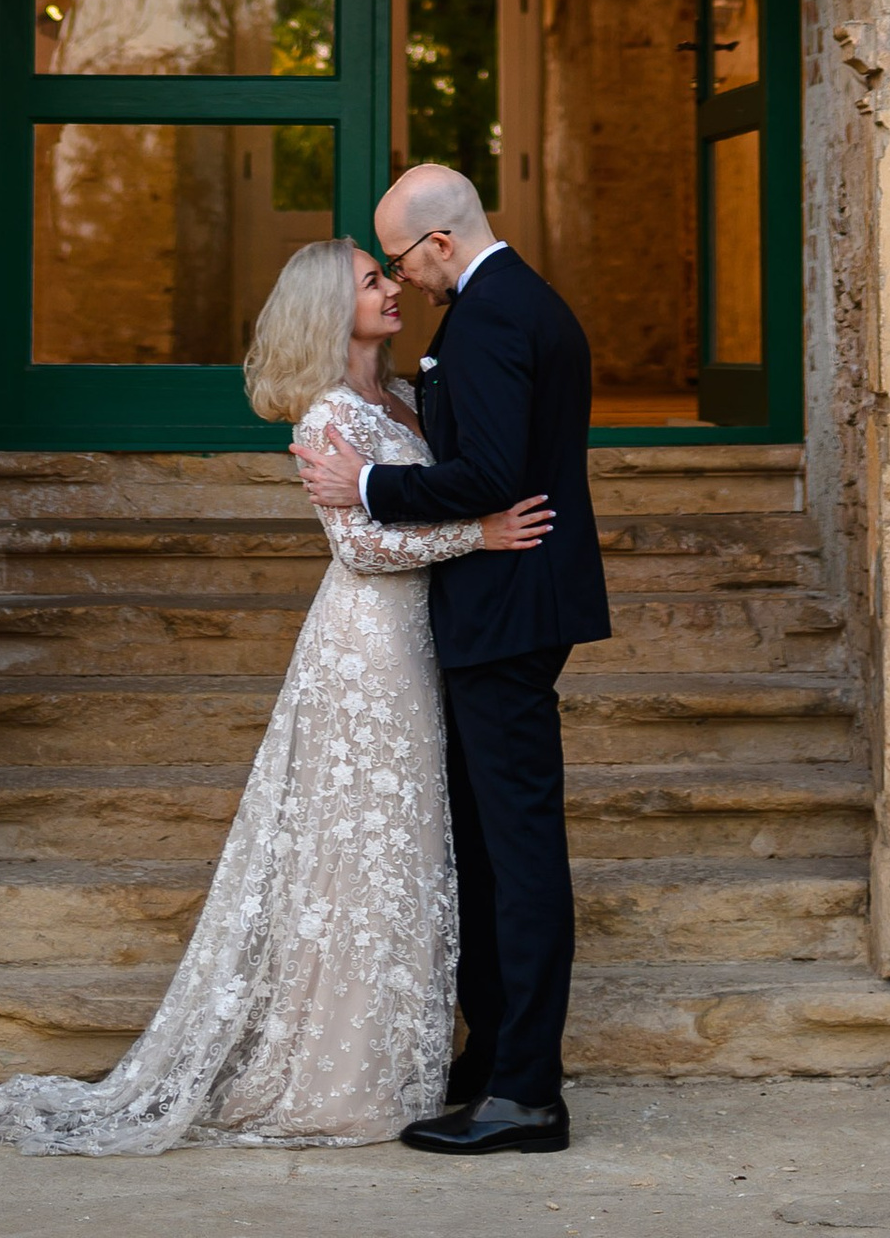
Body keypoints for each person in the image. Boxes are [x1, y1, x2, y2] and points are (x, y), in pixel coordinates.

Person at [0, 234, 552, 1152]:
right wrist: (480, 533)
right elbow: (360, 547)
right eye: (371, 280)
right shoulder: (325, 420)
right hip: (367, 647)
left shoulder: (397, 398)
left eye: (387, 273)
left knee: (411, 851)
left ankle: (402, 1059)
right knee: (361, 846)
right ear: (328, 307)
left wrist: (464, 516)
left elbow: (423, 489)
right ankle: (337, 1077)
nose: (392, 289)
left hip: (424, 641)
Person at [293, 160, 609, 1160]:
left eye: (400, 259)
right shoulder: (522, 303)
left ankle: (524, 1092)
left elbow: (489, 474)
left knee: (516, 860)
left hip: (506, 613)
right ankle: (491, 1066)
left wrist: (370, 483)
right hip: (508, 607)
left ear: (437, 242)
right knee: (486, 848)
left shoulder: (485, 319)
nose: (402, 280)